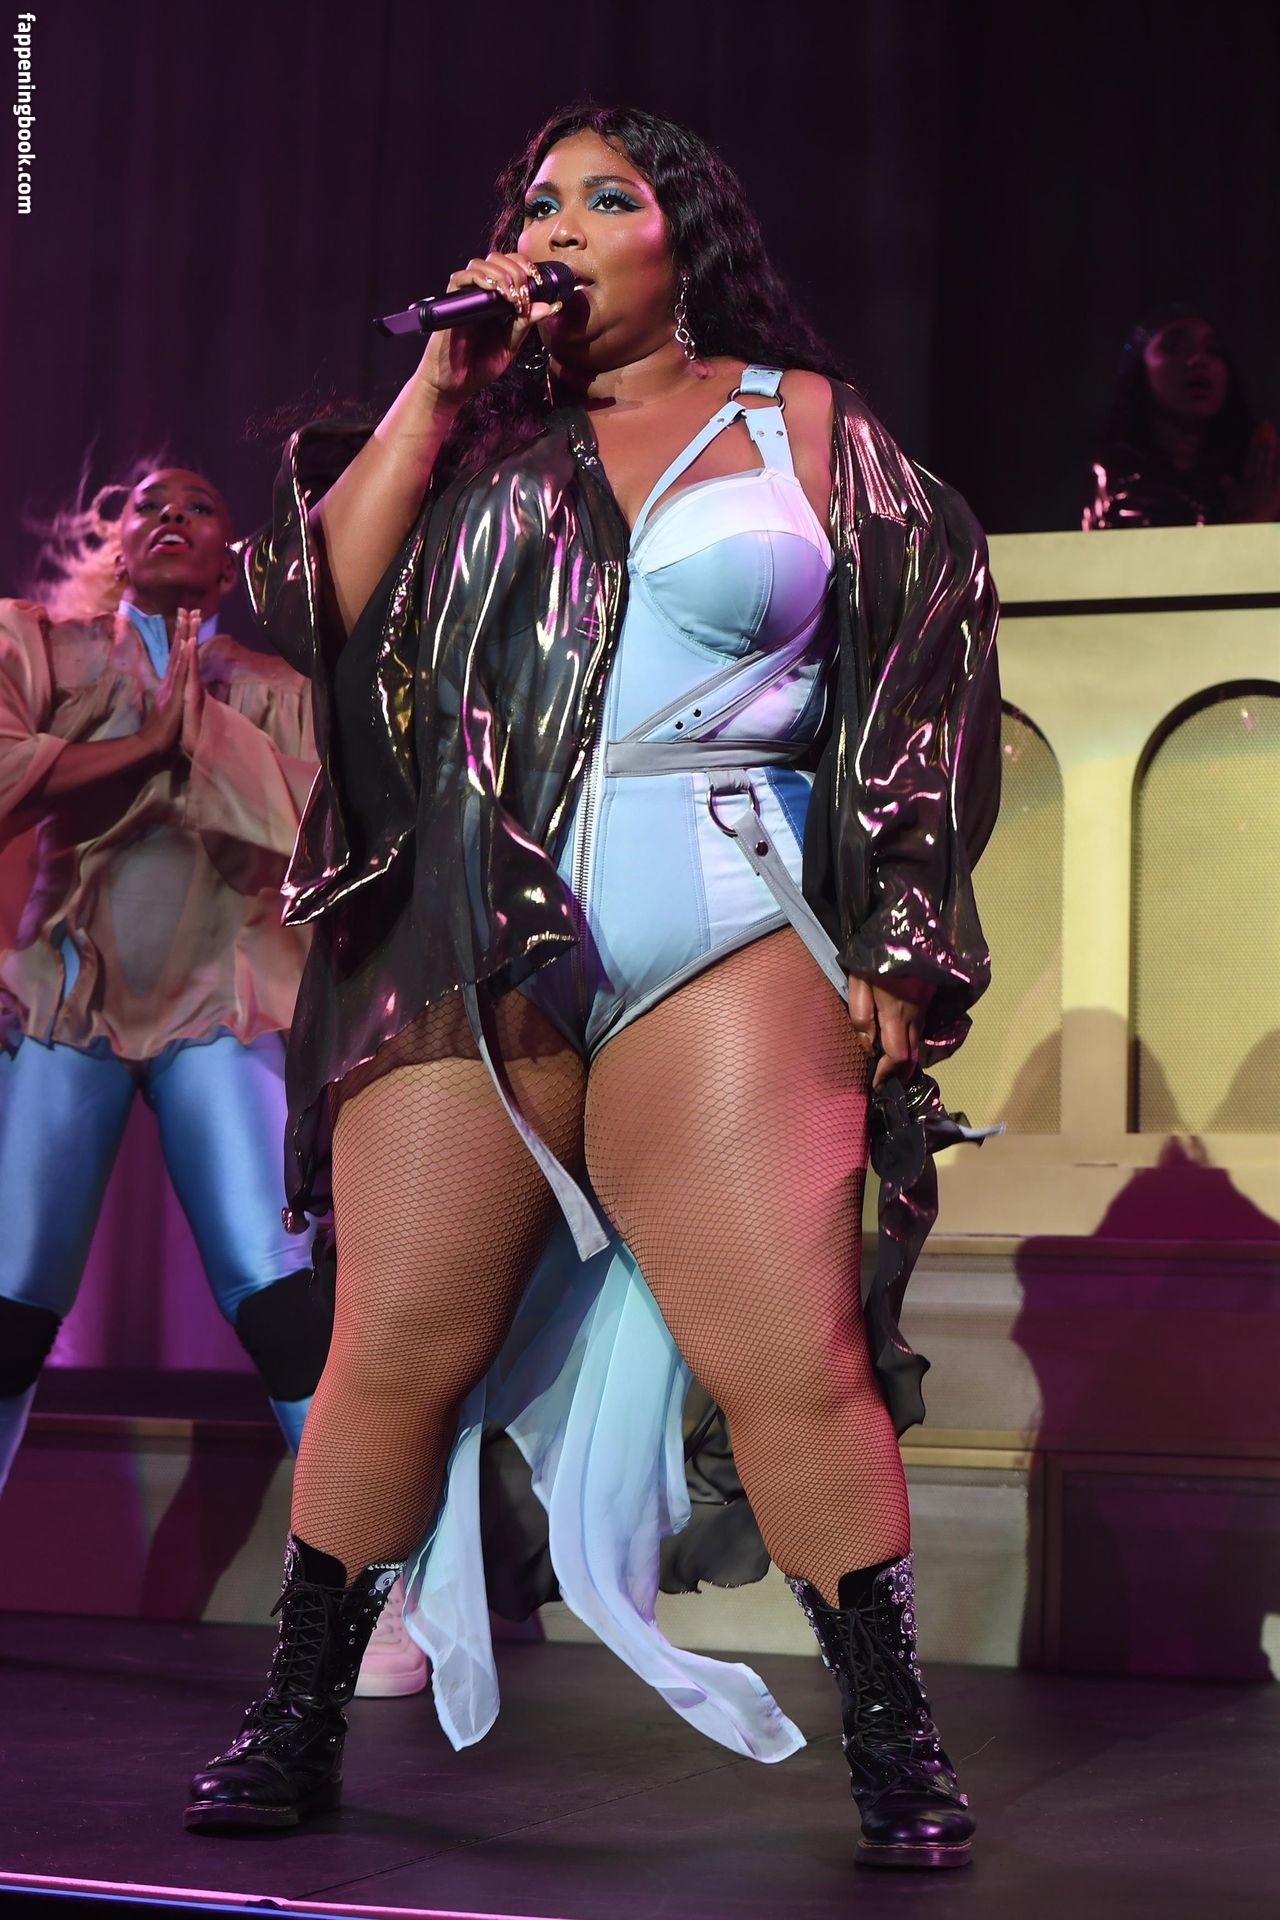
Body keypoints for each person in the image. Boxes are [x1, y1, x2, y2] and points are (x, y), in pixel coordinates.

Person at [185, 106, 1001, 1873]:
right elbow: (306, 606)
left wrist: (905, 933)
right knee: (395, 1342)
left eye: (603, 198)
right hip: (471, 928)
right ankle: (299, 1709)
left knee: (792, 1351)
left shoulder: (805, 424)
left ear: (680, 237)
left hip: (723, 909)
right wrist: (436, 389)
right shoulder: (478, 440)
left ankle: (892, 1736)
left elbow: (921, 678)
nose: (556, 226)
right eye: (535, 201)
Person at [1083, 305, 1280, 528]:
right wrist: (1251, 521)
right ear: (1139, 370)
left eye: (1213, 350)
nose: (1198, 359)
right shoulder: (1110, 474)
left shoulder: (1251, 476)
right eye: (1174, 347)